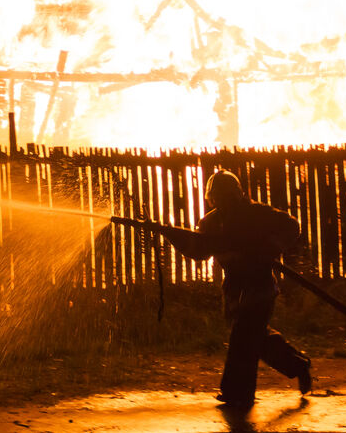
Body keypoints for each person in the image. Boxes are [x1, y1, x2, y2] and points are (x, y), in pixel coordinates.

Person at [118, 170, 311, 409]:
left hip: (260, 286)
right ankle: (297, 365)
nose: (224, 201)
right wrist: (167, 232)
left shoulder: (259, 214)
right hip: (234, 289)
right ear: (213, 198)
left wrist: (271, 246)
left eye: (228, 196)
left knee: (244, 337)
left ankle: (236, 394)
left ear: (239, 195)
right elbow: (199, 250)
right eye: (219, 197)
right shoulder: (210, 222)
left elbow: (291, 226)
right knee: (255, 338)